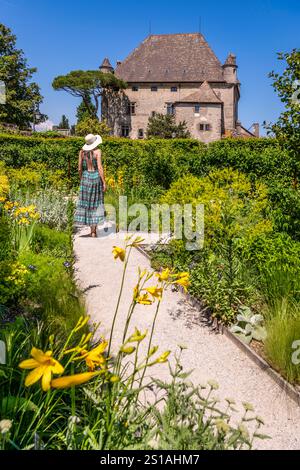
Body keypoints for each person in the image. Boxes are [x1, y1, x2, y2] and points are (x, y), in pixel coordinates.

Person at [74, 134, 106, 237]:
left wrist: (81, 178)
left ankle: (90, 228)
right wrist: (104, 182)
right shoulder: (98, 151)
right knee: (95, 203)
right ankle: (93, 231)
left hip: (86, 176)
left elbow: (79, 168)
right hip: (96, 177)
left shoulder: (82, 152)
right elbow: (100, 167)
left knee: (86, 203)